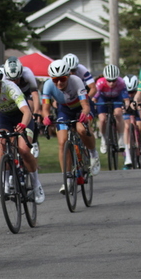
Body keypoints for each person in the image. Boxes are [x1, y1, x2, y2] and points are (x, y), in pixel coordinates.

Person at [0, 66, 45, 204]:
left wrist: (23, 125)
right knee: (1, 141)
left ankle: (37, 185)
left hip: (22, 116)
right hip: (5, 118)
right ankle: (5, 183)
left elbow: (26, 112)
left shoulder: (10, 88)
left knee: (24, 149)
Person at [40, 59, 98, 194]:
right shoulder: (48, 85)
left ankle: (93, 154)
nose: (59, 83)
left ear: (68, 76)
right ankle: (66, 179)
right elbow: (46, 108)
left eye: (62, 79)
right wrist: (46, 117)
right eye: (55, 80)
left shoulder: (76, 81)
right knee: (62, 142)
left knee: (81, 129)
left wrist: (84, 114)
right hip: (64, 110)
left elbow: (85, 106)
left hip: (80, 108)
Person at [93, 64, 131, 166]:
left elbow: (126, 99)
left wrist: (126, 106)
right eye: (109, 80)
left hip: (116, 98)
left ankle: (120, 138)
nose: (111, 83)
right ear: (105, 78)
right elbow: (95, 98)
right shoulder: (100, 82)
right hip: (103, 98)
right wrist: (93, 106)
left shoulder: (121, 82)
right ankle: (104, 139)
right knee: (102, 119)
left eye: (114, 80)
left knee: (118, 114)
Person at [2, 56, 41, 156]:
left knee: (30, 108)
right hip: (10, 97)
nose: (14, 82)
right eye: (11, 80)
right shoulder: (2, 76)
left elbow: (34, 93)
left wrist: (36, 111)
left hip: (25, 94)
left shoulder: (27, 73)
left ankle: (33, 140)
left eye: (17, 79)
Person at [122, 74, 141, 168]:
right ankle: (127, 152)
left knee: (139, 125)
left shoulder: (140, 93)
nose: (130, 94)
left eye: (133, 92)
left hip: (136, 112)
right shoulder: (121, 93)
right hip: (127, 112)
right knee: (126, 127)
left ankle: (140, 143)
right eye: (128, 92)